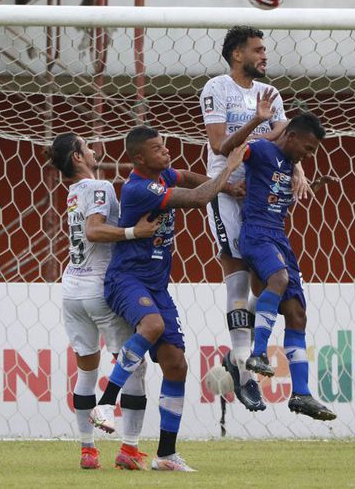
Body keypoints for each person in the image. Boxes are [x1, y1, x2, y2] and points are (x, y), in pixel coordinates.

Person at [91, 125, 246, 472]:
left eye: (164, 146)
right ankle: (103, 404)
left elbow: (188, 178)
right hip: (126, 279)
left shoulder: (163, 174)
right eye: (157, 149)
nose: (165, 152)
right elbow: (198, 198)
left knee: (176, 364)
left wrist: (227, 185)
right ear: (139, 158)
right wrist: (228, 168)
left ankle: (165, 455)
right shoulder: (139, 188)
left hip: (156, 286)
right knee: (152, 324)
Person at [200, 25, 311, 412]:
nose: (265, 56)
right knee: (237, 279)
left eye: (265, 50)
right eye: (258, 50)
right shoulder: (217, 88)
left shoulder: (273, 94)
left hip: (265, 201)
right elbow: (218, 144)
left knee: (268, 284)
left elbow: (283, 138)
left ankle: (237, 358)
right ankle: (247, 376)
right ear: (237, 55)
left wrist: (296, 171)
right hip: (230, 194)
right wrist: (255, 121)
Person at [43, 133, 158, 470]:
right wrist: (133, 233)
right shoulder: (99, 187)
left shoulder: (73, 193)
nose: (94, 150)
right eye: (86, 147)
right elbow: (94, 231)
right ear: (78, 158)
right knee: (134, 365)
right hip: (98, 287)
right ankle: (129, 448)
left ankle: (87, 450)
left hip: (72, 289)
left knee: (86, 371)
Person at [218, 112, 337, 421]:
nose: (308, 155)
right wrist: (229, 172)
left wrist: (314, 186)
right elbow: (231, 148)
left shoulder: (288, 167)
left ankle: (301, 394)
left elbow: (274, 195)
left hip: (279, 237)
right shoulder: (261, 150)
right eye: (308, 148)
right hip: (256, 233)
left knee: (297, 313)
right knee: (279, 278)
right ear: (292, 136)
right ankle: (257, 353)